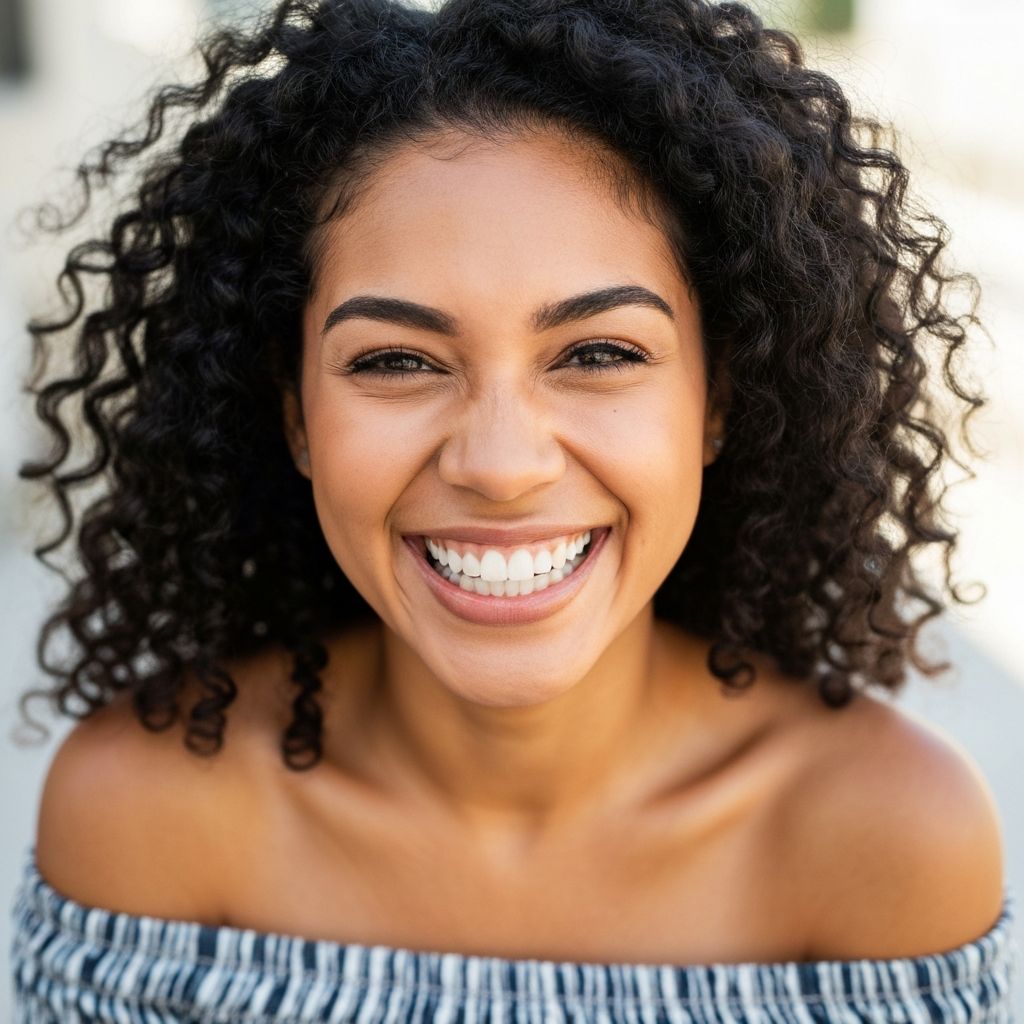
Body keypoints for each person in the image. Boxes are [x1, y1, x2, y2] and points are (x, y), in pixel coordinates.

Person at [8, 0, 1018, 1020]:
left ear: (716, 401)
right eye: (396, 361)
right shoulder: (143, 818)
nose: (499, 465)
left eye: (598, 354)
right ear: (296, 415)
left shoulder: (885, 842)